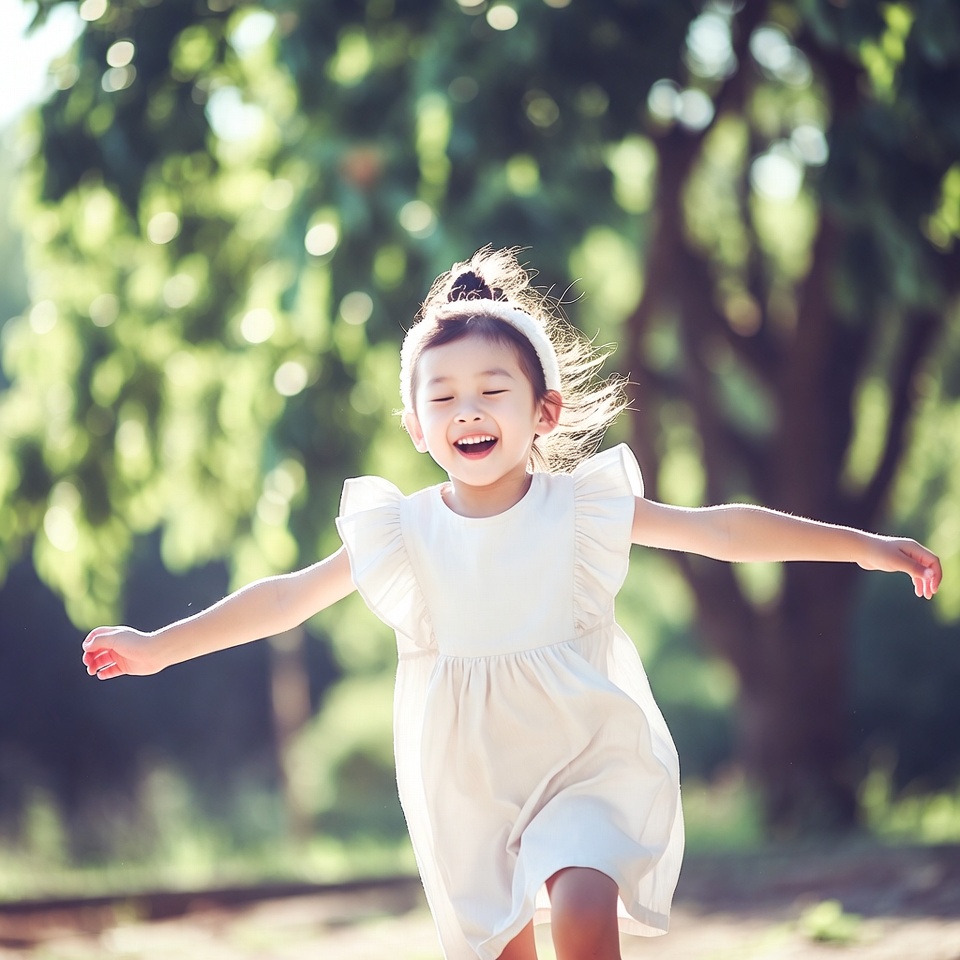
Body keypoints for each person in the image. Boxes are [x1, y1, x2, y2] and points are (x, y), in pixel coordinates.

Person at [82, 246, 942, 960]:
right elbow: (285, 600)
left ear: (543, 410)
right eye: (443, 397)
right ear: (416, 426)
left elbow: (722, 530)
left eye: (494, 391)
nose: (469, 412)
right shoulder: (401, 532)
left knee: (578, 906)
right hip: (465, 783)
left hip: (582, 757)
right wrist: (158, 645)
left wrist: (862, 546)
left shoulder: (584, 510)